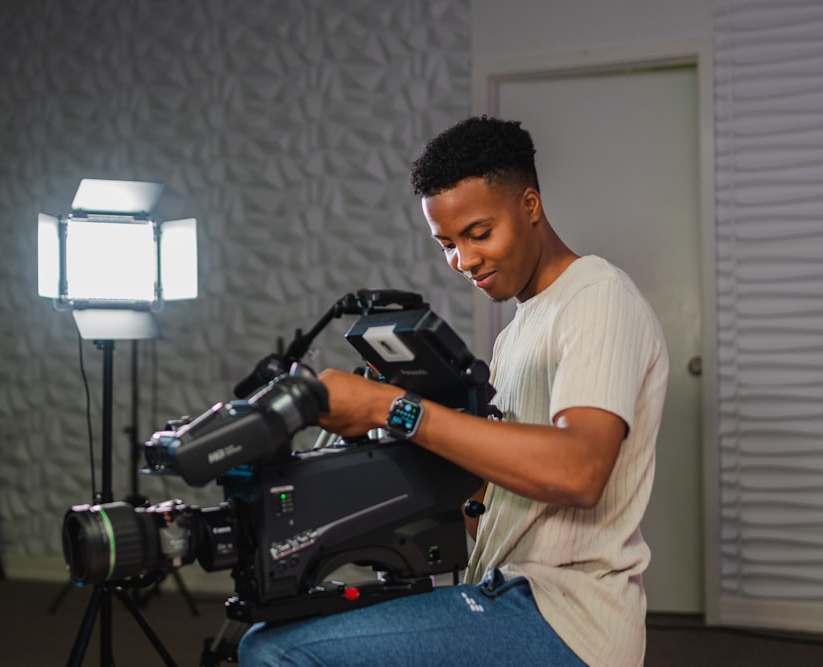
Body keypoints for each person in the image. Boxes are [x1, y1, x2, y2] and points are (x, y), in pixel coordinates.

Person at [238, 116, 669, 666]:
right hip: (499, 586)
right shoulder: (516, 334)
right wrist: (414, 434)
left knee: (275, 651)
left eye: (479, 234)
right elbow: (489, 507)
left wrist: (396, 408)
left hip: (567, 615)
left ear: (531, 205)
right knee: (283, 622)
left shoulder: (597, 297)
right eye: (447, 243)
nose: (463, 261)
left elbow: (578, 472)